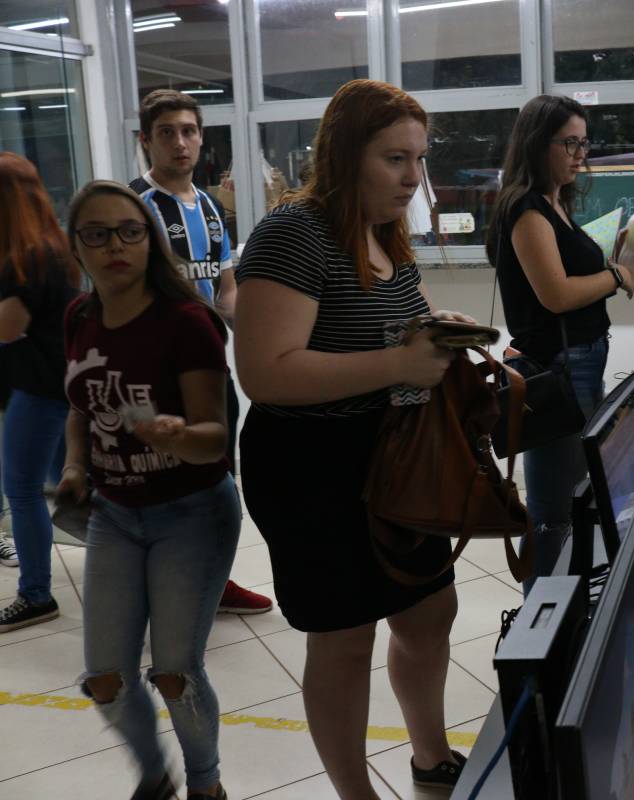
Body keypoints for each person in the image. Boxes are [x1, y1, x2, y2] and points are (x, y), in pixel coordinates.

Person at [234, 79, 472, 797]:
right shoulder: (294, 232)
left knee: (429, 611)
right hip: (312, 465)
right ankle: (355, 793)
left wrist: (438, 332)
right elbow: (265, 373)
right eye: (394, 159)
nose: (412, 177)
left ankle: (429, 754)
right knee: (343, 636)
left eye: (419, 159)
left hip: (392, 453)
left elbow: (388, 324)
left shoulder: (382, 230)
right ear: (344, 155)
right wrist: (399, 364)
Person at [59, 180, 239, 800]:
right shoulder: (79, 317)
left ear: (150, 241)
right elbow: (79, 406)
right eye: (97, 234)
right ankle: (154, 779)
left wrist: (177, 434)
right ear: (77, 246)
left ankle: (206, 786)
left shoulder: (187, 322)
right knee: (105, 677)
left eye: (130, 232)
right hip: (114, 513)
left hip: (192, 512)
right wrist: (77, 466)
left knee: (174, 674)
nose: (115, 246)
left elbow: (215, 440)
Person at [486, 94, 634, 586]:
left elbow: (574, 273)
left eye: (585, 144)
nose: (581, 155)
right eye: (570, 144)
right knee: (552, 511)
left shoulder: (554, 202)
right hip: (558, 366)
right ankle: (539, 620)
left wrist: (626, 256)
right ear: (537, 143)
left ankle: (564, 605)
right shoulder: (526, 209)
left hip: (579, 359)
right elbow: (557, 295)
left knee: (572, 496)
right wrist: (618, 276)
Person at [130, 88, 272, 616]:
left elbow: (225, 290)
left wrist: (259, 332)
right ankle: (164, 593)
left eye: (188, 131)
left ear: (201, 138)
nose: (179, 142)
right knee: (166, 485)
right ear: (146, 140)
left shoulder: (211, 206)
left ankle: (214, 582)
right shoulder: (134, 205)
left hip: (211, 368)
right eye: (166, 132)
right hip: (157, 373)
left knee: (216, 480)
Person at [0, 153, 81, 632]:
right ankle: (135, 565)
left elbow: (7, 328)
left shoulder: (23, 260)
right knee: (72, 486)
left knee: (22, 489)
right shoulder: (52, 248)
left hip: (38, 391)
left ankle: (35, 595)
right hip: (60, 387)